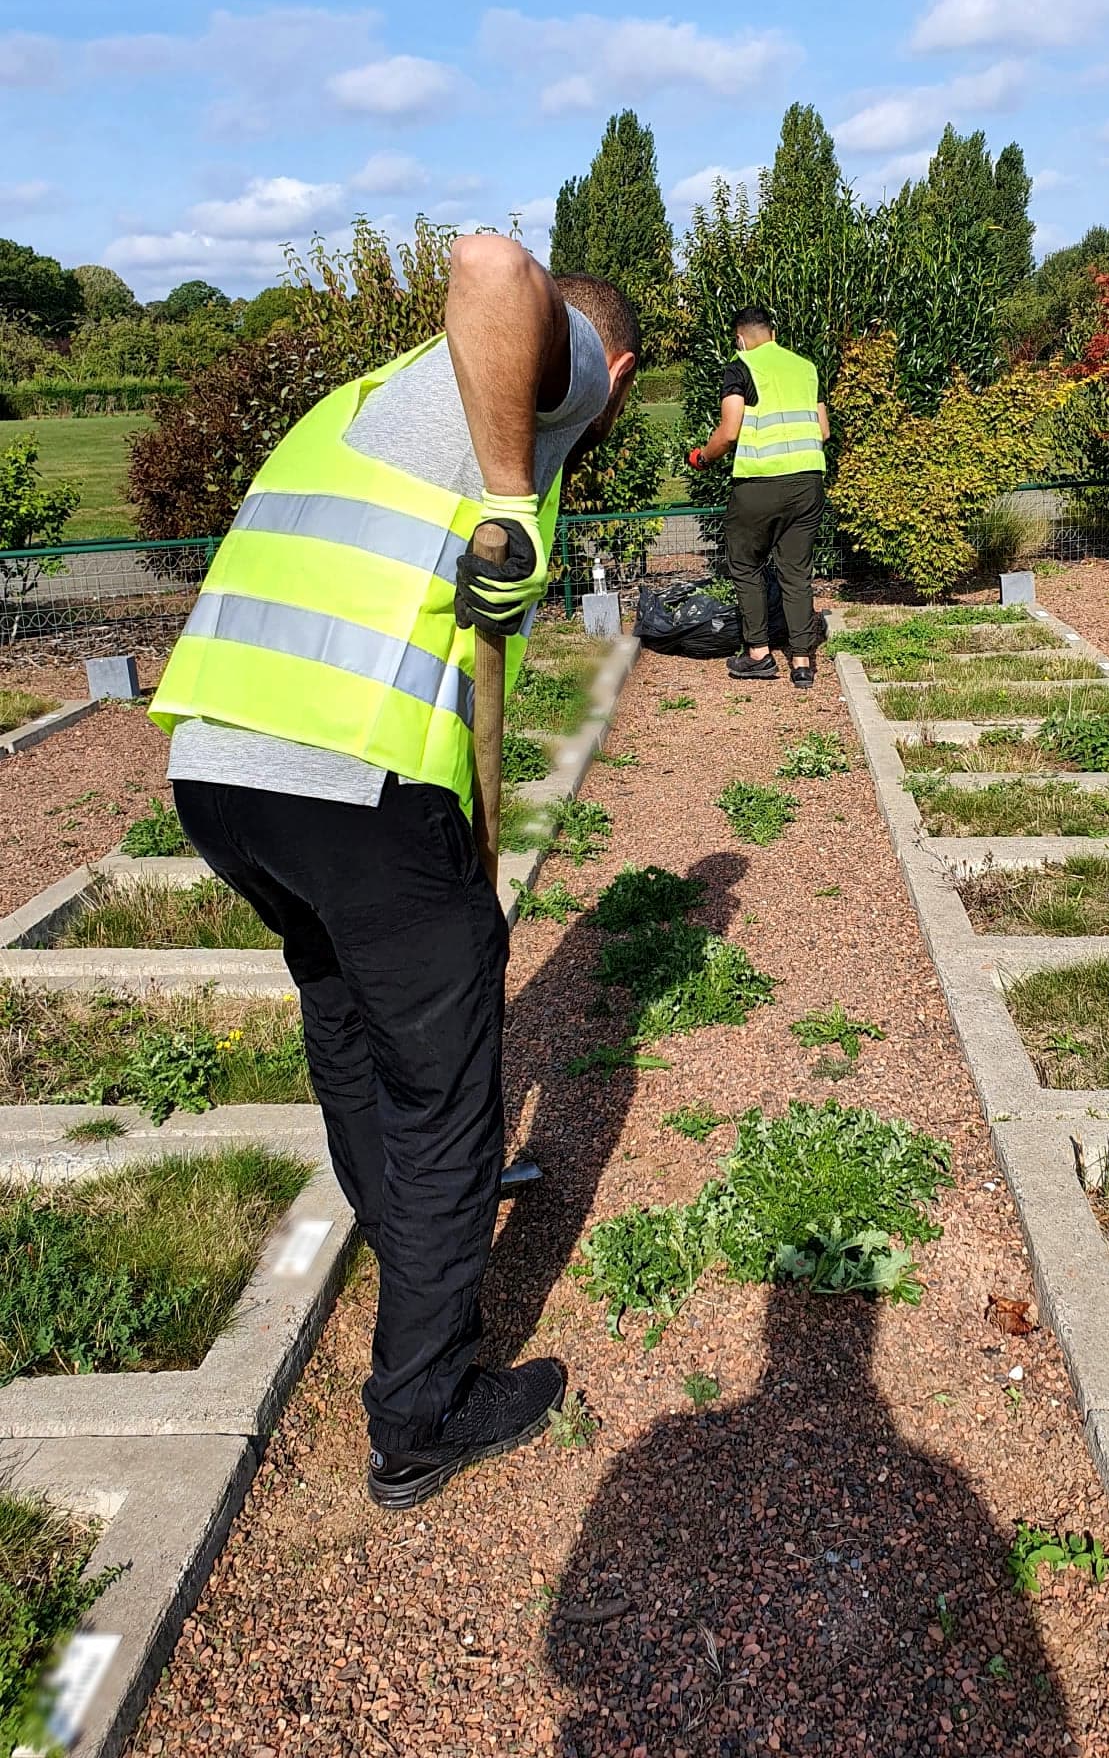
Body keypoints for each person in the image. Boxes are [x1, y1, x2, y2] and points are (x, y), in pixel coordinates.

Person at [148, 240, 639, 1510]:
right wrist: (521, 498)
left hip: (223, 773)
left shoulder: (362, 401)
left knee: (351, 1025)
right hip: (348, 789)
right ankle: (424, 1412)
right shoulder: (563, 370)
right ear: (613, 369)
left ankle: (408, 1226)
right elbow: (488, 265)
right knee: (442, 1100)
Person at [688, 305, 828, 688]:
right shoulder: (806, 368)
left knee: (745, 564)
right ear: (773, 334)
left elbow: (729, 430)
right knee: (796, 573)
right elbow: (824, 430)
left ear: (740, 338)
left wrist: (702, 457)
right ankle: (802, 663)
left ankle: (759, 655)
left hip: (760, 484)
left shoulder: (740, 367)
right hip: (808, 482)